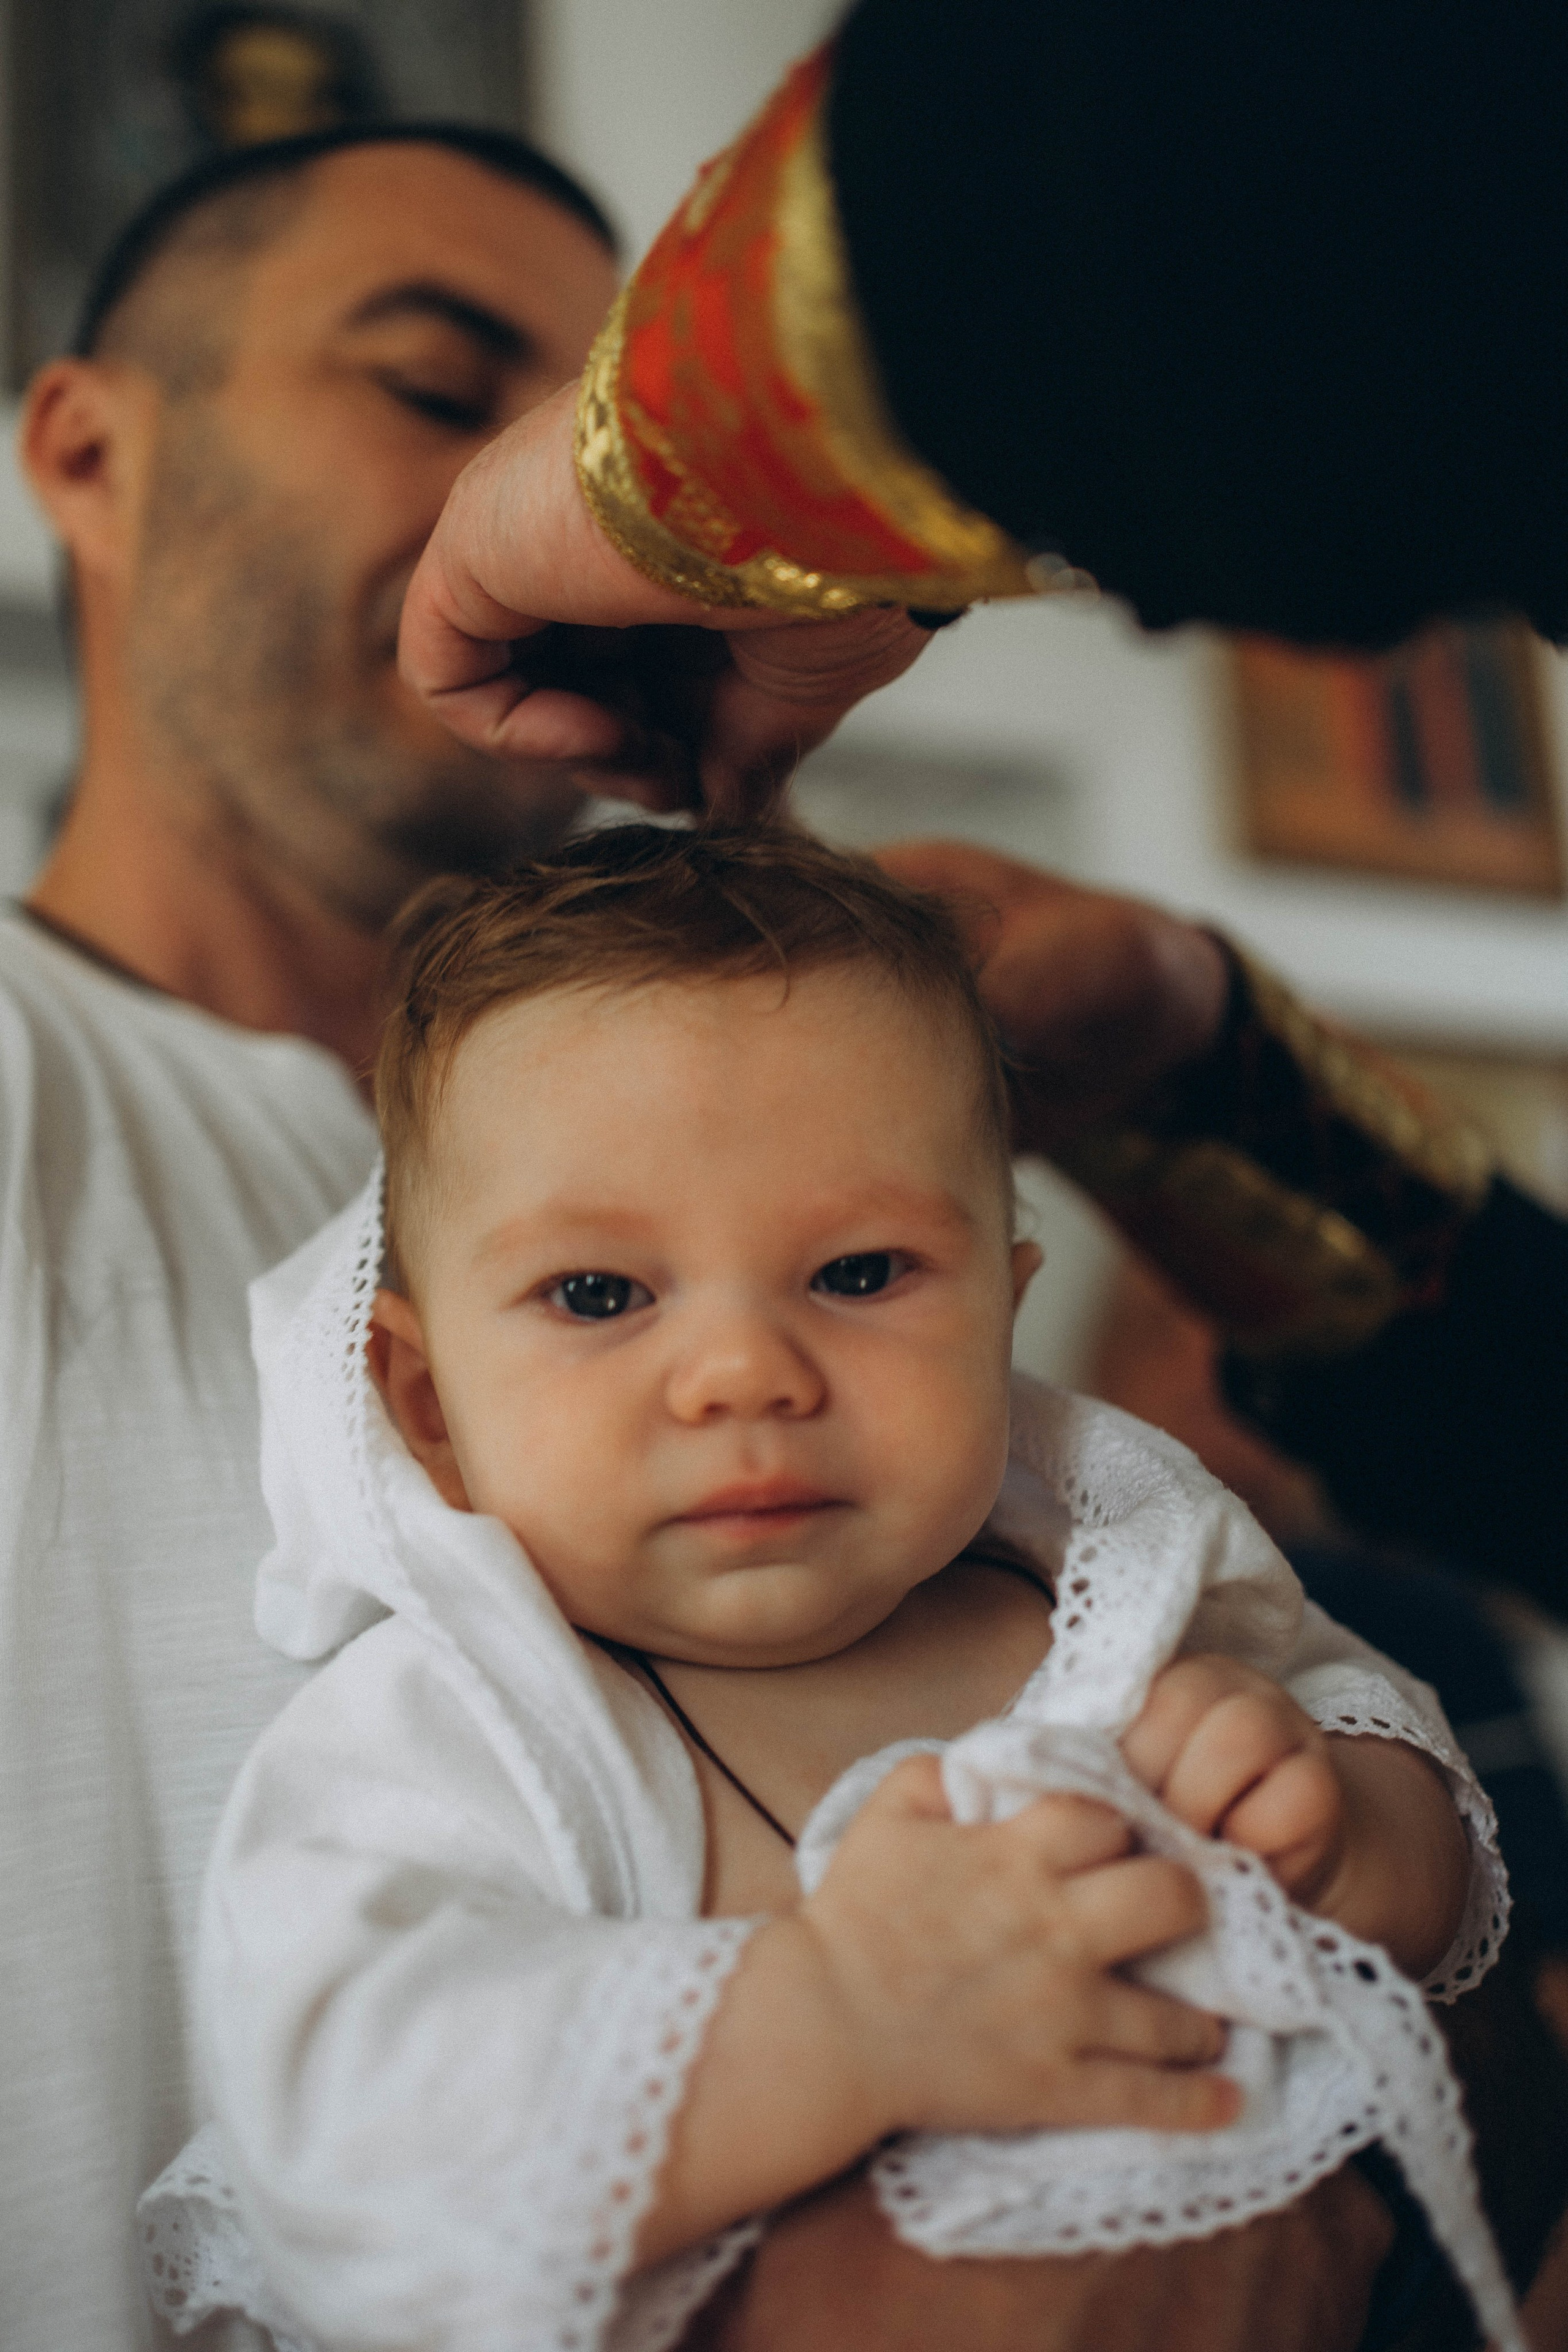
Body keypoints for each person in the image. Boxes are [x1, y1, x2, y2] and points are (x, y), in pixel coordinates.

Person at [0, 113, 1402, 2352]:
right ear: (87, 450)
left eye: (608, 447)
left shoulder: (911, 1272)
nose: (552, 526)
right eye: (439, 389)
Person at [140, 826, 1497, 2352]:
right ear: (433, 1406)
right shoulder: (461, 1733)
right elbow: (353, 2120)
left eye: (859, 1274)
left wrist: (1335, 1819)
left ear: (999, 1310)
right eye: (598, 1294)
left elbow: (1411, 1813)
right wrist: (836, 2018)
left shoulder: (1106, 1597)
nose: (743, 1375)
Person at [398, 0, 1568, 1613]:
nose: (743, 1376)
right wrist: (1197, 1064)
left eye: (863, 1271)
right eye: (427, 385)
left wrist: (693, 470)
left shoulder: (1173, 1628)